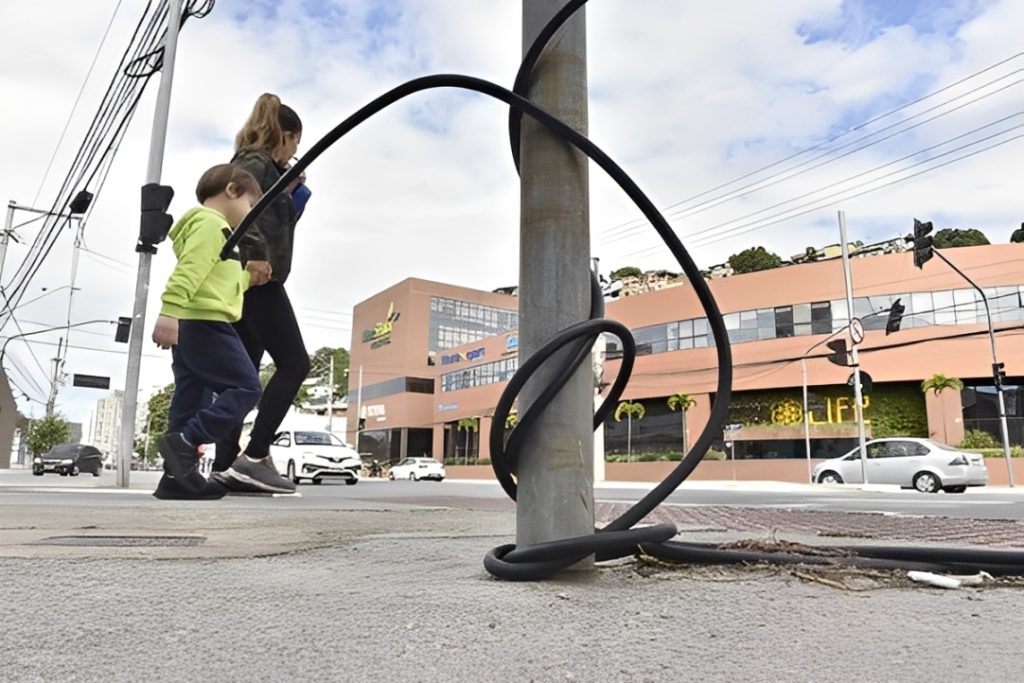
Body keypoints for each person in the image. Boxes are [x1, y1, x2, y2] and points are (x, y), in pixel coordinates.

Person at [152, 163, 290, 499]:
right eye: (251, 205)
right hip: (205, 323)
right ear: (232, 190)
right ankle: (185, 442)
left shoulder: (219, 233)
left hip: (194, 322)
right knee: (245, 387)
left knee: (191, 396)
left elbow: (217, 277)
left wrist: (247, 277)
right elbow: (191, 270)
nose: (251, 214)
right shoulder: (211, 225)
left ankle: (175, 478)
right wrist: (169, 311)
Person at [211, 93, 311, 493]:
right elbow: (237, 211)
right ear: (284, 135)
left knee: (243, 375)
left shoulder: (261, 167)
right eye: (295, 144)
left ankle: (225, 463)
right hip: (257, 278)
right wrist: (253, 257)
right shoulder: (255, 163)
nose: (294, 153)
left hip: (248, 278)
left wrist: (288, 195)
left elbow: (265, 213)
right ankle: (254, 455)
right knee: (295, 363)